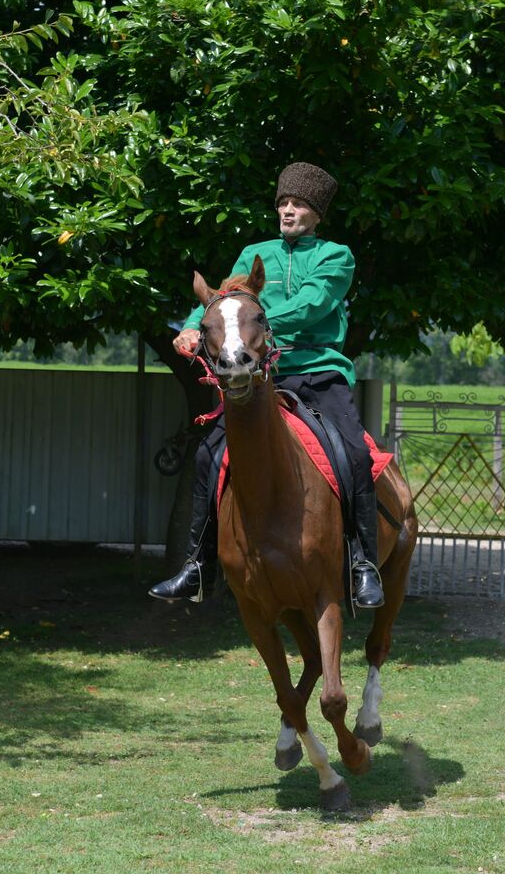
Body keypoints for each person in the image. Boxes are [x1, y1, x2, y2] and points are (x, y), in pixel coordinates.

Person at [148, 162, 384, 610]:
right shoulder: (253, 252)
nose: (288, 211)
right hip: (262, 376)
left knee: (354, 453)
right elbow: (223, 300)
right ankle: (196, 567)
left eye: (298, 204)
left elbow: (314, 304)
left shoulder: (337, 256)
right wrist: (195, 327)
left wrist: (254, 322)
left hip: (318, 371)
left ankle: (363, 564)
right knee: (207, 456)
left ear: (316, 214)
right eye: (282, 203)